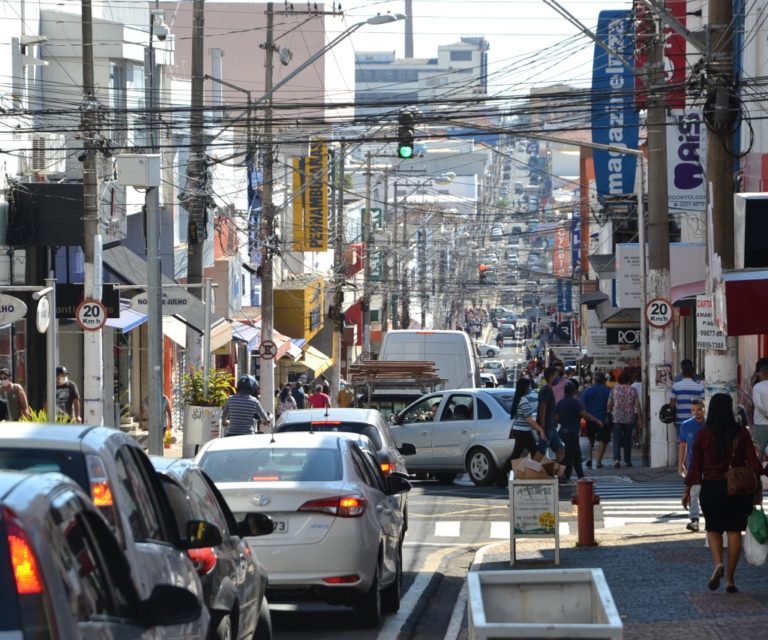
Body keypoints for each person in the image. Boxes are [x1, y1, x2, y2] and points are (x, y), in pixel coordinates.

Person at [683, 393, 764, 593]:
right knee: (735, 531)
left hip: (712, 488)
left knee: (713, 528)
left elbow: (694, 467)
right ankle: (730, 579)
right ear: (730, 409)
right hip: (737, 488)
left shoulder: (703, 434)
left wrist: (687, 490)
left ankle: (718, 563)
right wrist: (760, 478)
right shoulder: (742, 433)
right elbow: (754, 463)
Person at [495, 378, 545, 486]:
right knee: (519, 455)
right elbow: (529, 419)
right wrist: (540, 429)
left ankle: (537, 474)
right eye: (529, 386)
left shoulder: (519, 399)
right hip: (523, 432)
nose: (530, 388)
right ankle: (501, 479)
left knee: (533, 452)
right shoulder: (523, 400)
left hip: (522, 431)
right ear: (525, 388)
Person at [557, 382, 603, 483]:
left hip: (563, 431)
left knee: (576, 455)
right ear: (574, 391)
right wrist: (597, 420)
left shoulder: (560, 403)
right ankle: (559, 472)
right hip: (572, 433)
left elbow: (557, 418)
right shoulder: (575, 402)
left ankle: (579, 476)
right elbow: (584, 414)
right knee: (569, 456)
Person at [679, 399, 706, 532]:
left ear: (704, 409)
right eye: (693, 410)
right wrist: (681, 464)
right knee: (694, 493)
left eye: (699, 409)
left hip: (709, 466)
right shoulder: (686, 425)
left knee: (707, 494)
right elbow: (683, 445)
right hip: (693, 466)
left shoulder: (710, 425)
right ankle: (694, 520)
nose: (696, 412)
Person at [607, 371, 641, 468]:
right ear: (628, 380)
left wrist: (609, 411)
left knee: (616, 439)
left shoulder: (614, 389)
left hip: (616, 417)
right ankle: (627, 461)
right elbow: (637, 405)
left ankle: (616, 460)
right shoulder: (633, 390)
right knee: (627, 439)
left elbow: (609, 403)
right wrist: (640, 418)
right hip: (629, 418)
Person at [581, 371, 612, 468]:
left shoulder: (587, 391)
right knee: (603, 440)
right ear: (604, 380)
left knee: (591, 439)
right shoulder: (608, 390)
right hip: (603, 419)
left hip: (590, 419)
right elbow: (611, 405)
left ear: (594, 380)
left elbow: (583, 406)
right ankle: (598, 461)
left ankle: (590, 458)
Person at [670, 363, 705, 437]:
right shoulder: (699, 387)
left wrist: (673, 418)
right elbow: (703, 404)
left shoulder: (676, 386)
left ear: (682, 373)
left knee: (682, 443)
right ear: (693, 373)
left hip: (680, 421)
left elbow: (672, 405)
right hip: (696, 420)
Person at [535, 367, 562, 461]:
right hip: (547, 427)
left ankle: (560, 473)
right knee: (542, 450)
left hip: (551, 426)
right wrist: (542, 427)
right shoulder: (547, 390)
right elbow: (543, 408)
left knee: (559, 449)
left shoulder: (548, 389)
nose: (558, 377)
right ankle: (529, 471)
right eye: (556, 376)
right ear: (550, 377)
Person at [751, 362, 768, 460]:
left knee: (758, 454)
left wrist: (766, 414)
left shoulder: (757, 387)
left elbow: (758, 404)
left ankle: (759, 473)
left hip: (760, 424)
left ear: (762, 373)